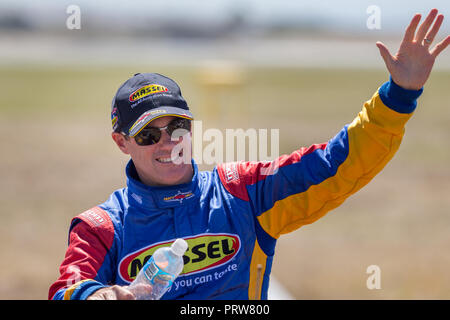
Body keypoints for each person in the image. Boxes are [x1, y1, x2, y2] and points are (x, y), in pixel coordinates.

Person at [49, 9, 449, 300]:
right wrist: (95, 297)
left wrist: (399, 97)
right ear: (122, 142)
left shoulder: (241, 193)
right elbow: (68, 288)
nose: (169, 142)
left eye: (177, 127)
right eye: (150, 134)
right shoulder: (101, 228)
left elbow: (336, 165)